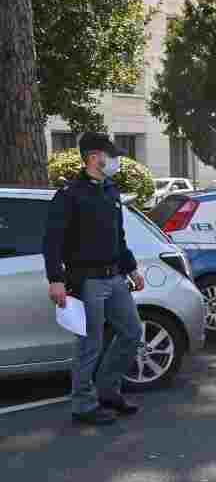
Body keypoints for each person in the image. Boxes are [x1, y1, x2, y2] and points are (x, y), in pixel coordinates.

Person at [43, 133, 145, 426]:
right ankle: (83, 405)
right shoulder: (70, 195)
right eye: (109, 155)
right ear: (93, 158)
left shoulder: (111, 190)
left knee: (131, 332)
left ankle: (108, 391)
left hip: (115, 277)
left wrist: (132, 269)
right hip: (86, 281)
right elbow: (52, 242)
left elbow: (119, 237)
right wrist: (56, 279)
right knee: (91, 344)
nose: (114, 161)